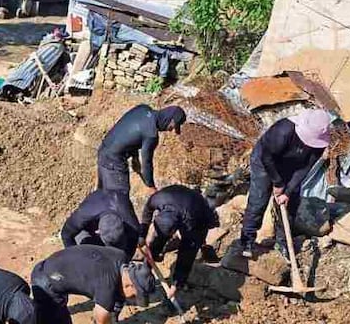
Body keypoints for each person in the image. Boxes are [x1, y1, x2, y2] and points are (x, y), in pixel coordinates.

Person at [239, 109, 331, 258]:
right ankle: (247, 240)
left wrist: (287, 192)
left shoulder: (320, 143)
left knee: (291, 204)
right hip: (265, 162)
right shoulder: (283, 131)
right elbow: (267, 157)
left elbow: (305, 168)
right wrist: (278, 183)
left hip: (292, 168)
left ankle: (283, 243)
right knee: (259, 199)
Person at [141, 184, 220, 290]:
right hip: (177, 196)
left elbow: (187, 253)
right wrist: (142, 234)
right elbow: (147, 210)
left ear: (174, 232)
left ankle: (180, 283)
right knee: (158, 238)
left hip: (200, 212)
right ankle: (147, 266)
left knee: (192, 246)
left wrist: (177, 282)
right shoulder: (157, 199)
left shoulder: (192, 222)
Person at [96, 104, 187, 194]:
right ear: (170, 119)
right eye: (173, 126)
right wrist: (150, 186)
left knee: (102, 196)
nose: (171, 130)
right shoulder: (151, 135)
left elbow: (130, 131)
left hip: (103, 150)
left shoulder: (143, 108)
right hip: (114, 162)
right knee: (119, 200)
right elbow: (146, 162)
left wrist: (134, 158)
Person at [60, 189, 142, 256]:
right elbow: (66, 234)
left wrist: (123, 261)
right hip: (88, 228)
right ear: (98, 231)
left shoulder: (131, 223)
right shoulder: (84, 215)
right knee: (85, 250)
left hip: (115, 202)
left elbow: (133, 242)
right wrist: (75, 257)